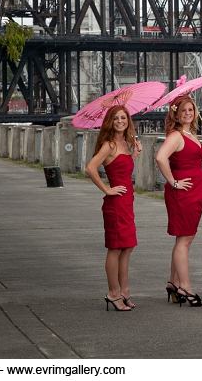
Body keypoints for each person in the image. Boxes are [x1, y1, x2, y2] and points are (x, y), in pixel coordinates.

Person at [155, 95, 202, 307]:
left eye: (191, 110)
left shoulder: (191, 134)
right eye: (184, 111)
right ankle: (185, 287)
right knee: (184, 240)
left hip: (195, 191)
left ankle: (173, 282)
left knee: (184, 239)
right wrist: (173, 182)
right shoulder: (176, 136)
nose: (188, 113)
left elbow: (198, 162)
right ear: (176, 114)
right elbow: (161, 157)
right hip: (183, 193)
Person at [84, 106, 142, 312]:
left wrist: (133, 154)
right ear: (110, 121)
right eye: (116, 118)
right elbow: (90, 167)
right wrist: (107, 189)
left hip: (127, 202)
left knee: (128, 246)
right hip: (115, 203)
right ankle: (113, 293)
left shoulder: (125, 143)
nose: (120, 121)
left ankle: (124, 291)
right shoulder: (109, 145)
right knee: (115, 247)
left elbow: (122, 168)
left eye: (123, 117)